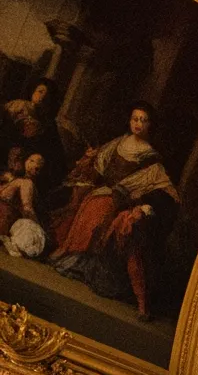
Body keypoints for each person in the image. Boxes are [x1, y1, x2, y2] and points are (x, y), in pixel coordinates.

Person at [50, 103, 178, 316]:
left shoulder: (150, 157)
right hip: (104, 189)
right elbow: (101, 162)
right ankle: (70, 252)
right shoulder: (120, 142)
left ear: (150, 125)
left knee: (100, 208)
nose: (138, 123)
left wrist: (126, 193)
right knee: (88, 200)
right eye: (134, 119)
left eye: (143, 120)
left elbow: (159, 185)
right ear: (129, 120)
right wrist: (92, 160)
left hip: (122, 198)